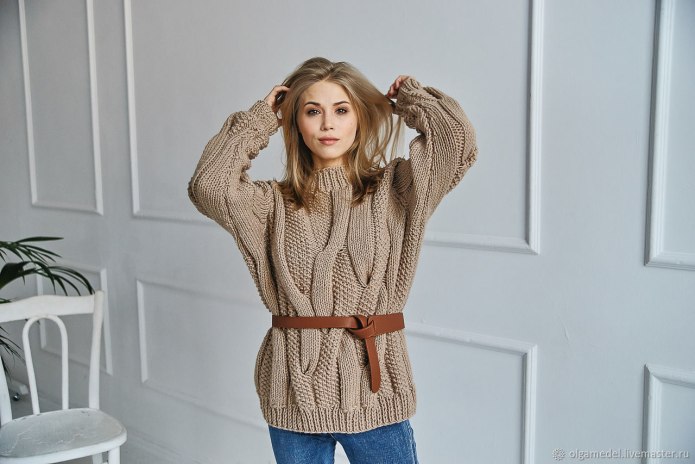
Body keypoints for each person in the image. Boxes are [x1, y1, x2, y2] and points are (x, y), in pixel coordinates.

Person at [188, 57, 477, 464]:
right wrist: (258, 121)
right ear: (295, 122)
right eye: (312, 111)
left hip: (376, 395)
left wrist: (412, 99)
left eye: (341, 110)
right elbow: (208, 185)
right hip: (292, 394)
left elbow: (457, 143)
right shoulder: (270, 204)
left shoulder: (396, 189)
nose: (327, 124)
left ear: (359, 116)